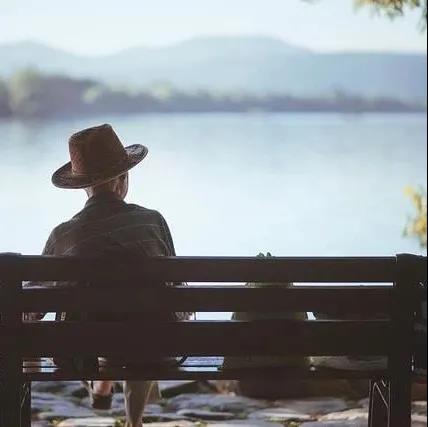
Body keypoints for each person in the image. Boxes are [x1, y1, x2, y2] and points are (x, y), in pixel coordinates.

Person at [35, 124, 189, 427]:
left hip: (89, 348)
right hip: (155, 345)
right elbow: (174, 286)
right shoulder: (153, 222)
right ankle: (133, 419)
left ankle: (102, 386)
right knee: (143, 322)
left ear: (83, 186)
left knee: (98, 326)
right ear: (123, 180)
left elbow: (34, 307)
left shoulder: (64, 236)